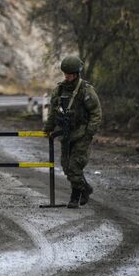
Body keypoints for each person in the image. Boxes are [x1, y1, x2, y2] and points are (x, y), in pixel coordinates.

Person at [43, 56, 102, 208]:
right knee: (66, 166)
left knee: (75, 166)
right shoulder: (59, 90)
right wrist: (48, 128)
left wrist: (90, 131)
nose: (67, 76)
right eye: (65, 73)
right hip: (66, 133)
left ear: (76, 73)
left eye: (69, 73)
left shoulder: (85, 90)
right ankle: (86, 189)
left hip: (82, 134)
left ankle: (75, 197)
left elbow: (96, 112)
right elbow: (53, 112)